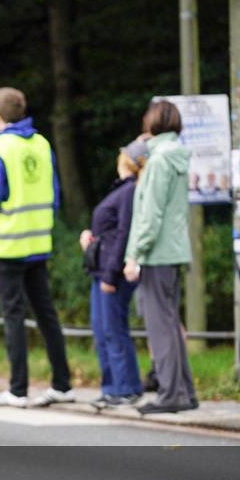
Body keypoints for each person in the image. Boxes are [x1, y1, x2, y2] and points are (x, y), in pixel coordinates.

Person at [0, 87, 72, 408]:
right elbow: (54, 196)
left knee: (13, 316)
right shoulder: (42, 144)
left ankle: (18, 390)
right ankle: (62, 385)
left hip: (7, 246)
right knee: (46, 314)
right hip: (38, 243)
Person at [123, 100, 197, 414]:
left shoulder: (158, 161)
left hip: (156, 253)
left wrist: (134, 255)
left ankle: (170, 395)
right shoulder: (176, 155)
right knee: (170, 325)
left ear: (152, 123)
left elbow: (150, 215)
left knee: (161, 328)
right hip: (175, 250)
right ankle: (185, 392)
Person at [80, 139, 147, 407]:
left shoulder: (129, 190)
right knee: (102, 329)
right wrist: (92, 238)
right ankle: (112, 388)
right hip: (102, 269)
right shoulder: (122, 188)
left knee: (113, 329)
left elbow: (123, 233)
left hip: (112, 272)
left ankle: (125, 388)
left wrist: (110, 274)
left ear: (127, 161)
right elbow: (111, 232)